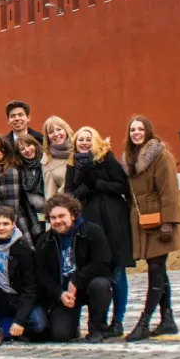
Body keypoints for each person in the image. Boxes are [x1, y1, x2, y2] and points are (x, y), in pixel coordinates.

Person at [65, 126, 134, 339]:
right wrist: (86, 186)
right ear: (75, 144)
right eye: (80, 140)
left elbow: (122, 186)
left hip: (114, 223)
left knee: (117, 271)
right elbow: (70, 195)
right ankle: (98, 322)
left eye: (88, 139)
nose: (84, 143)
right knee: (96, 272)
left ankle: (118, 320)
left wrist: (97, 183)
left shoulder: (106, 159)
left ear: (95, 141)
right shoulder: (72, 165)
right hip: (89, 226)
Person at [122, 115, 180, 341]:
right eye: (132, 130)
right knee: (157, 268)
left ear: (148, 131)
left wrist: (168, 222)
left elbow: (169, 191)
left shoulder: (161, 155)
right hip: (142, 220)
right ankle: (168, 319)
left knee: (156, 270)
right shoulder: (130, 159)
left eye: (140, 129)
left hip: (159, 220)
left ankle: (144, 321)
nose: (136, 133)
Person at [34, 193, 113, 343]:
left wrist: (76, 280)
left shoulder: (92, 231)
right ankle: (73, 325)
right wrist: (59, 294)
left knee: (100, 285)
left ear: (73, 214)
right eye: (53, 217)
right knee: (60, 335)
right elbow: (41, 275)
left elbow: (102, 263)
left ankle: (97, 328)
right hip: (64, 293)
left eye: (61, 216)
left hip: (89, 285)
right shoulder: (45, 241)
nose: (57, 221)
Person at [0, 206, 47, 347]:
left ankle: (12, 326)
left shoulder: (24, 249)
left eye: (5, 224)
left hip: (18, 297)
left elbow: (30, 289)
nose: (1, 228)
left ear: (13, 224)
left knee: (39, 325)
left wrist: (19, 320)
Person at [0, 134, 38, 245]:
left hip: (13, 223)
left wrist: (7, 230)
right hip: (2, 223)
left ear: (5, 151)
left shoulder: (10, 171)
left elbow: (13, 207)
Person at [16, 135, 48, 238]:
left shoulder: (46, 161)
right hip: (33, 215)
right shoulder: (19, 169)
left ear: (35, 145)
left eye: (29, 145)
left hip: (52, 210)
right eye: (22, 149)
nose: (27, 150)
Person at [42, 116, 75, 198]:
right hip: (70, 203)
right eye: (51, 132)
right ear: (47, 137)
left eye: (59, 129)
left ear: (66, 130)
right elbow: (50, 196)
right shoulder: (47, 160)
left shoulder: (80, 148)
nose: (56, 134)